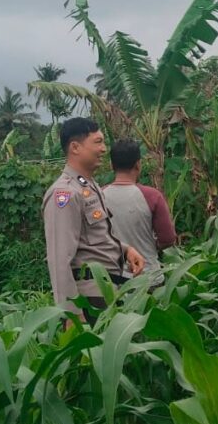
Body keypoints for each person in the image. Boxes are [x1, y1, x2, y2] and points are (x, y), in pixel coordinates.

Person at [43, 117, 145, 323]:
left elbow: (95, 237)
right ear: (75, 147)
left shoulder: (89, 186)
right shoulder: (64, 193)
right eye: (97, 142)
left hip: (107, 291)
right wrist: (72, 314)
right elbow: (59, 260)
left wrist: (126, 250)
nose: (104, 149)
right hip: (89, 300)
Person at [104, 139, 177, 286]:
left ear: (111, 165)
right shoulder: (152, 196)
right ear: (138, 164)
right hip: (149, 278)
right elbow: (168, 239)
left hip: (114, 282)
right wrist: (151, 246)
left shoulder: (98, 196)